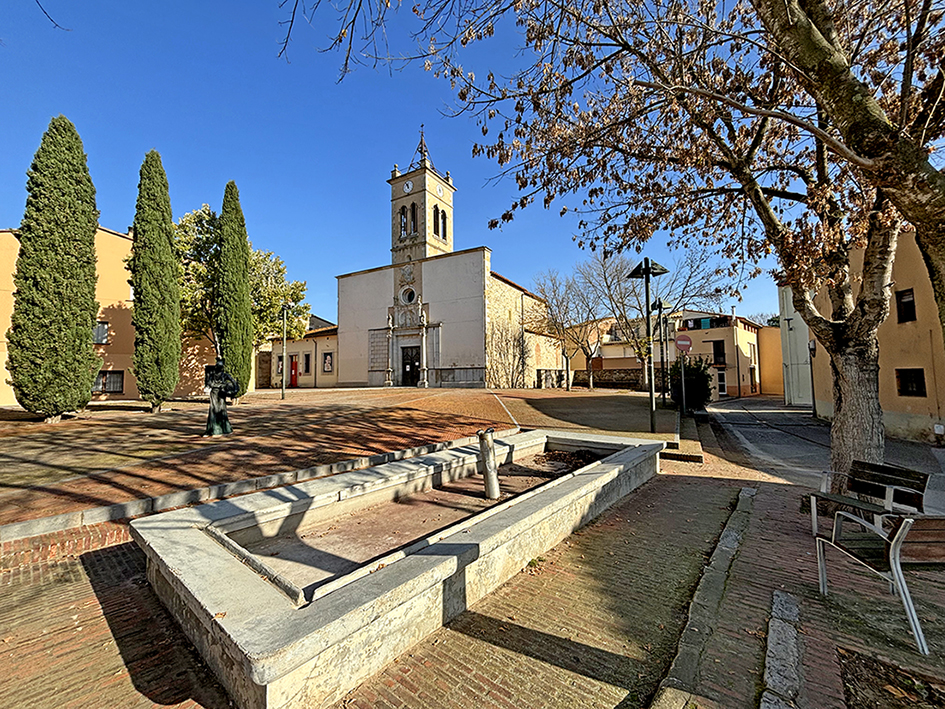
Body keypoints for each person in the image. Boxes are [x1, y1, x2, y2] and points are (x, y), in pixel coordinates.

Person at [204, 358, 238, 436]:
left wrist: (233, 390)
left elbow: (234, 383)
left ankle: (223, 429)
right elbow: (209, 383)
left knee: (221, 409)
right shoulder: (212, 375)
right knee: (214, 409)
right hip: (214, 393)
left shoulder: (225, 375)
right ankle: (214, 429)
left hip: (221, 393)